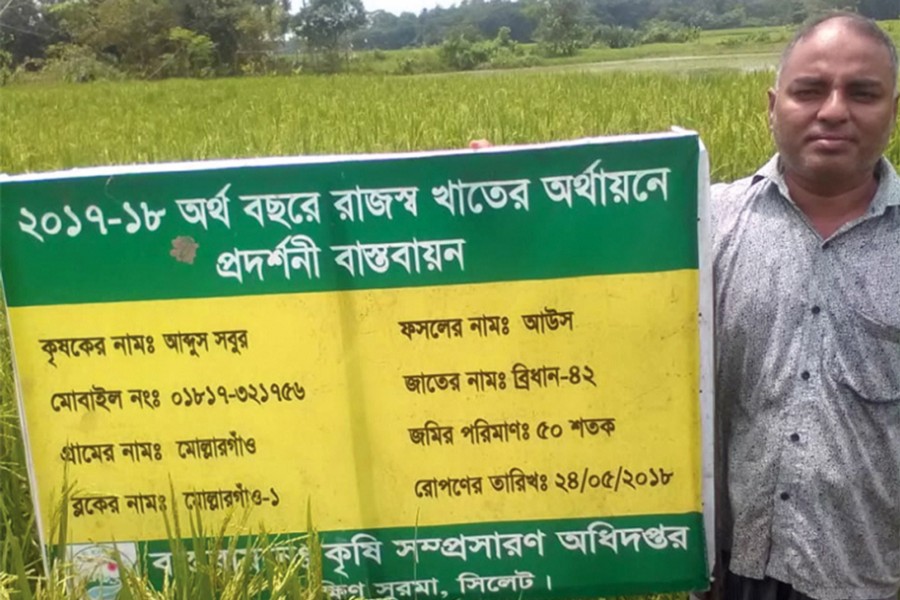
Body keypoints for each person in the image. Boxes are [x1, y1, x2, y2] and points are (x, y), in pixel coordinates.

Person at [711, 12, 899, 600]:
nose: (834, 111)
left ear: (893, 109)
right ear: (773, 107)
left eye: (862, 93)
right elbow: (585, 267)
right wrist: (498, 190)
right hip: (731, 571)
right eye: (809, 90)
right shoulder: (703, 224)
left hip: (867, 579)